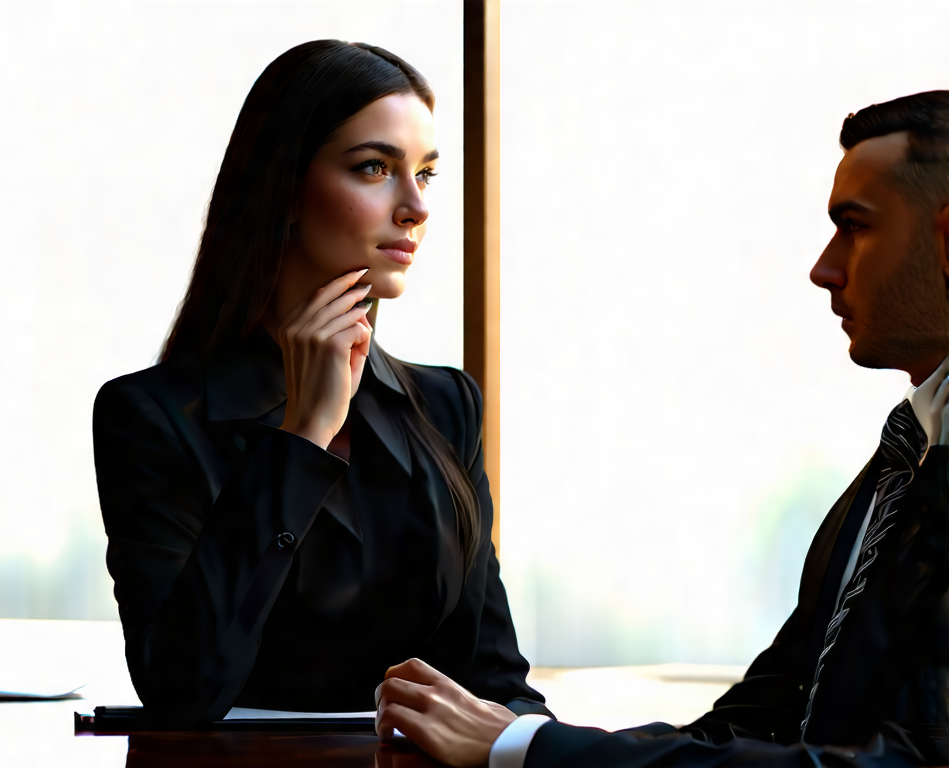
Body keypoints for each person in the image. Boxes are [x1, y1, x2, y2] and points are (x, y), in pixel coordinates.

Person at [375, 90, 949, 767]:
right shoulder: (900, 460)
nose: (824, 269)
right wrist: (521, 742)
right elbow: (759, 720)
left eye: (855, 226)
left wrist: (526, 747)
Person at [92, 40, 551, 726]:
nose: (416, 206)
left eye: (425, 174)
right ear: (283, 189)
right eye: (375, 168)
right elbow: (182, 691)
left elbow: (496, 685)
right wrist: (301, 437)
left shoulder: (449, 406)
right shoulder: (147, 416)